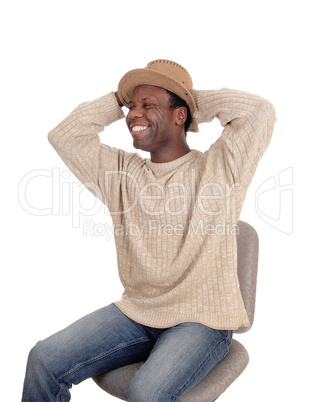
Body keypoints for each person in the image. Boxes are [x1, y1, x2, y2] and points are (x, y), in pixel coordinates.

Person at [22, 59, 276, 401]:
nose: (133, 114)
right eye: (131, 106)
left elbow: (258, 112)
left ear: (180, 115)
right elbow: (64, 135)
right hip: (138, 312)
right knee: (43, 361)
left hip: (201, 321)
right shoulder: (121, 174)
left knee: (145, 392)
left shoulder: (221, 169)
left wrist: (189, 100)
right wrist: (117, 99)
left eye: (148, 105)